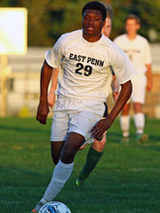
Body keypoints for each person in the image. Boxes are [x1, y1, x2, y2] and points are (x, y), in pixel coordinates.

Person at [31, 1, 136, 212]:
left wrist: (109, 119)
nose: (91, 22)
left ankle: (41, 205)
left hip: (91, 107)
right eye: (87, 17)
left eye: (96, 19)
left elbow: (127, 86)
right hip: (63, 104)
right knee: (58, 157)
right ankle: (81, 139)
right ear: (82, 18)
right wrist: (43, 100)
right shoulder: (67, 40)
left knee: (69, 151)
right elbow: (48, 65)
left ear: (104, 22)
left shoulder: (111, 50)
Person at [114, 14, 152, 143]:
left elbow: (148, 62)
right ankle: (125, 136)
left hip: (139, 77)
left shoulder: (143, 42)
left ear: (138, 26)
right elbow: (114, 61)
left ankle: (139, 133)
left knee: (138, 105)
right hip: (123, 78)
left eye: (133, 25)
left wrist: (150, 80)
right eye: (128, 24)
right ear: (125, 26)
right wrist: (114, 79)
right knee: (124, 107)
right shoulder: (119, 41)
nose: (130, 27)